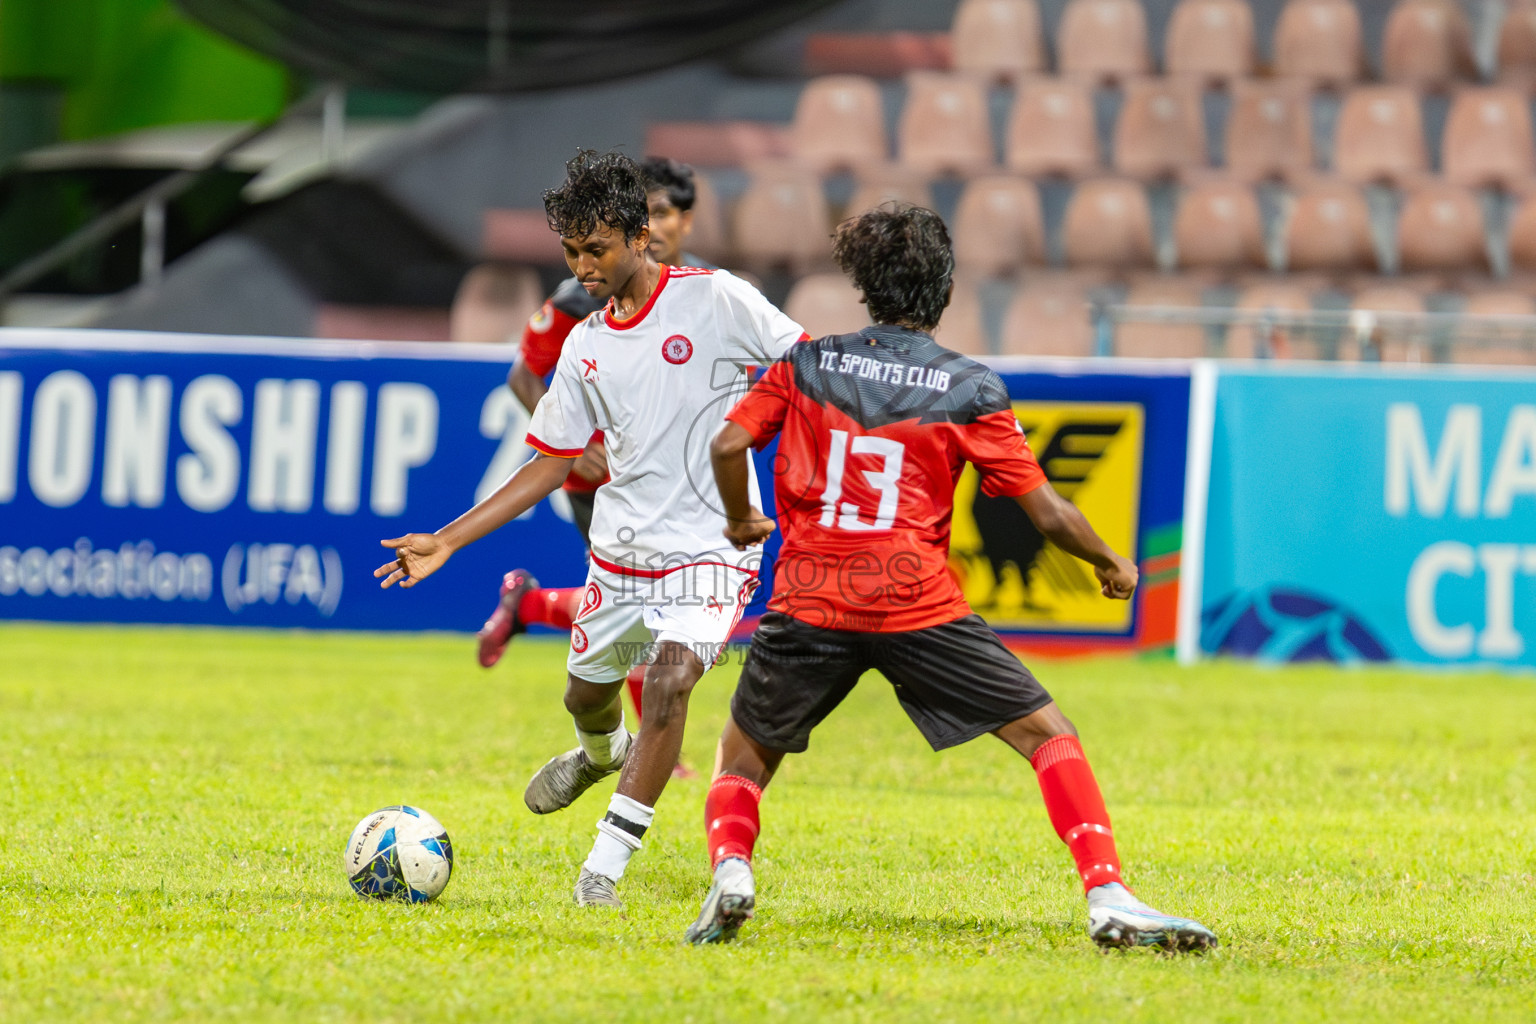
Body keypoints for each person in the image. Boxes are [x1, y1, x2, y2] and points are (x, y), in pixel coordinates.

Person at [686, 204, 1217, 952]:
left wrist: (743, 520)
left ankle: (733, 871)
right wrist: (1111, 564)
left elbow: (727, 441)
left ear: (865, 285)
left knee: (741, 758)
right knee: (1048, 736)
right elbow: (1049, 513)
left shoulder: (804, 364)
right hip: (916, 605)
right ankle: (1109, 895)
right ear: (943, 289)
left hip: (811, 600)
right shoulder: (968, 388)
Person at [375, 150, 807, 909]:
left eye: (596, 248)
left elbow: (805, 366)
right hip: (621, 554)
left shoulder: (718, 301)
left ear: (640, 236)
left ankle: (601, 870)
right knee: (585, 697)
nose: (583, 266)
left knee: (670, 683)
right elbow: (547, 465)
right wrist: (447, 539)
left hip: (712, 551)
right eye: (572, 252)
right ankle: (595, 754)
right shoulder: (585, 346)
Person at [480, 156, 712, 778]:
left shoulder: (703, 296)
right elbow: (522, 376)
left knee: (631, 609)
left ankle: (527, 604)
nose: (653, 224)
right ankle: (647, 749)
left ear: (684, 223)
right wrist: (578, 448)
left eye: (663, 212)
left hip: (670, 485)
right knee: (640, 612)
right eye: (644, 210)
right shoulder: (577, 300)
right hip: (600, 483)